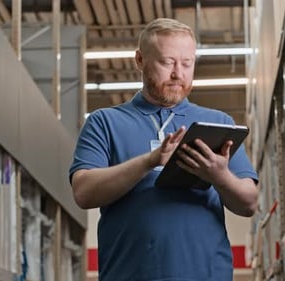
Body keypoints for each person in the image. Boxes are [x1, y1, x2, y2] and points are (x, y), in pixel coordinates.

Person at [69, 18, 259, 281]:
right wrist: (148, 161)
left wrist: (219, 174)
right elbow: (83, 192)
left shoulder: (218, 124)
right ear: (140, 60)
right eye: (167, 62)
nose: (177, 74)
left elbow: (249, 202)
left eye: (187, 63)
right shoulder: (105, 122)